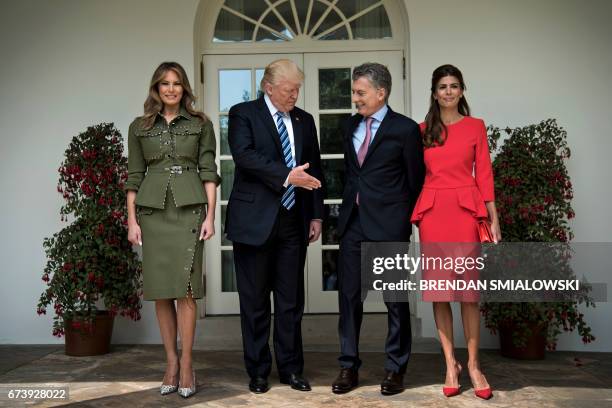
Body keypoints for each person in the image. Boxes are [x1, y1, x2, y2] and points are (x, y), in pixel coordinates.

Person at [225, 59, 324, 394]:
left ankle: (292, 369)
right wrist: (286, 176)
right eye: (288, 90)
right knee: (254, 303)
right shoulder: (243, 113)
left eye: (297, 89)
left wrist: (316, 214)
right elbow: (244, 156)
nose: (295, 95)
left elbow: (317, 170)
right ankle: (257, 371)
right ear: (269, 87)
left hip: (294, 221)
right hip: (254, 222)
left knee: (290, 302)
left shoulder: (305, 120)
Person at [125, 62, 220, 399]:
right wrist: (131, 219)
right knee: (162, 289)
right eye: (165, 83)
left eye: (177, 83)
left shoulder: (201, 124)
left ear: (185, 88)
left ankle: (188, 363)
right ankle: (170, 362)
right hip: (152, 213)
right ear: (156, 88)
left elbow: (209, 170)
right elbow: (134, 174)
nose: (171, 89)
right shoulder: (139, 127)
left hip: (190, 211)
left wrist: (210, 217)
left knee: (187, 289)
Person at [332, 63, 425, 396]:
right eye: (354, 92)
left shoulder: (406, 130)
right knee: (349, 300)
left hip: (389, 226)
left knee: (395, 301)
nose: (355, 99)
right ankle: (348, 366)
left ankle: (395, 369)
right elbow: (350, 174)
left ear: (380, 93)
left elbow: (415, 181)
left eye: (360, 92)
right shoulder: (349, 126)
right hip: (352, 225)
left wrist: (401, 219)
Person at [410, 64, 501, 400]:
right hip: (433, 214)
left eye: (454, 86)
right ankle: (451, 364)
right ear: (434, 93)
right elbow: (412, 174)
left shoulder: (476, 127)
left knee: (468, 293)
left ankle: (474, 364)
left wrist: (493, 217)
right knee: (439, 291)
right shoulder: (422, 130)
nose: (448, 91)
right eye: (442, 86)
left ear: (462, 91)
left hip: (466, 213)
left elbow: (486, 174)